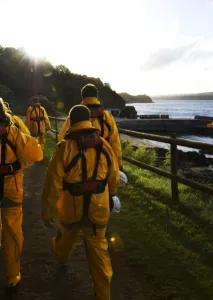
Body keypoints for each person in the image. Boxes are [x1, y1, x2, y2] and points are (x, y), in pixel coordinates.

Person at [41, 105, 120, 300]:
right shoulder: (103, 145)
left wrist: (48, 211)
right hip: (98, 208)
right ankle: (103, 296)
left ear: (71, 121)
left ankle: (61, 255)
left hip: (71, 207)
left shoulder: (64, 147)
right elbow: (114, 178)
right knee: (99, 253)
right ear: (88, 121)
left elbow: (53, 182)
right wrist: (111, 194)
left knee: (65, 239)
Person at [0, 98, 43, 287]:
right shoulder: (13, 130)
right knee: (13, 233)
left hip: (11, 188)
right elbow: (37, 154)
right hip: (12, 188)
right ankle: (12, 276)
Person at [58, 84, 123, 171]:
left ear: (82, 97)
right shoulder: (107, 116)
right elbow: (115, 143)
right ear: (96, 96)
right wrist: (119, 165)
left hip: (78, 166)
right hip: (102, 166)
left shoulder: (75, 113)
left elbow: (62, 137)